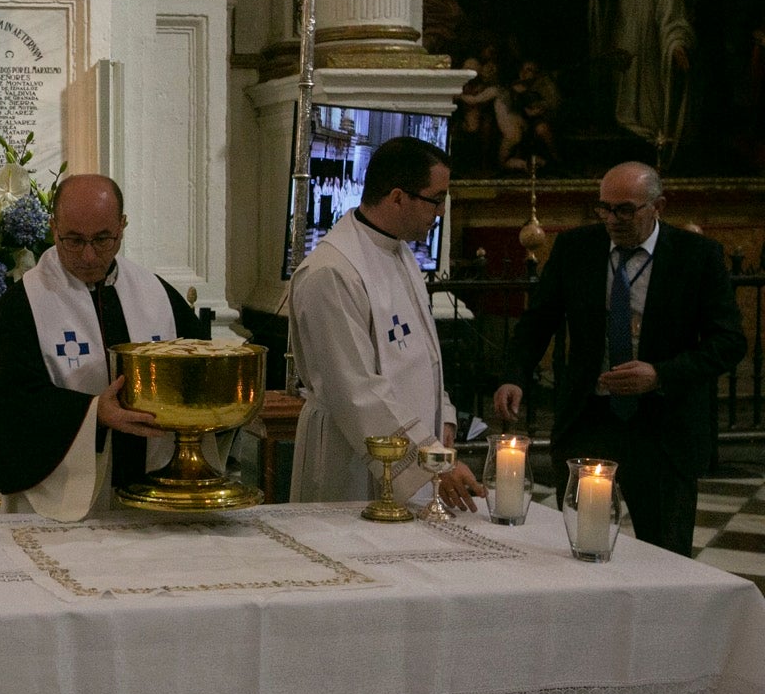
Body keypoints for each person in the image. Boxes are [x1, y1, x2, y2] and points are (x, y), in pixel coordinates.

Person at [493, 162, 745, 556]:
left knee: (664, 553)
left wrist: (660, 374)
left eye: (625, 210)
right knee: (580, 548)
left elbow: (729, 342)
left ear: (657, 205)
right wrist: (514, 376)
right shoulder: (577, 249)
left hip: (663, 428)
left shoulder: (697, 256)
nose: (612, 219)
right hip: (590, 420)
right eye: (604, 208)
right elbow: (537, 322)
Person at [0, 174, 213, 521]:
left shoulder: (156, 295)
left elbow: (203, 371)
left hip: (152, 491)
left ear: (122, 227)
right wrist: (93, 413)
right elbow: (11, 404)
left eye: (103, 239)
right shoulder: (23, 306)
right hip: (59, 497)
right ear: (53, 228)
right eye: (74, 241)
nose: (90, 255)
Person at [289, 137, 484, 509]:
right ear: (397, 197)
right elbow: (355, 389)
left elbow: (422, 355)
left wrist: (442, 419)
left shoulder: (400, 253)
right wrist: (431, 460)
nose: (441, 211)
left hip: (414, 450)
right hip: (349, 463)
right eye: (436, 198)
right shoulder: (331, 272)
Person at [589, 0, 695, 153]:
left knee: (649, 110)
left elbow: (673, 18)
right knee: (622, 100)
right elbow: (605, 3)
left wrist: (677, 44)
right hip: (622, 41)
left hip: (651, 49)